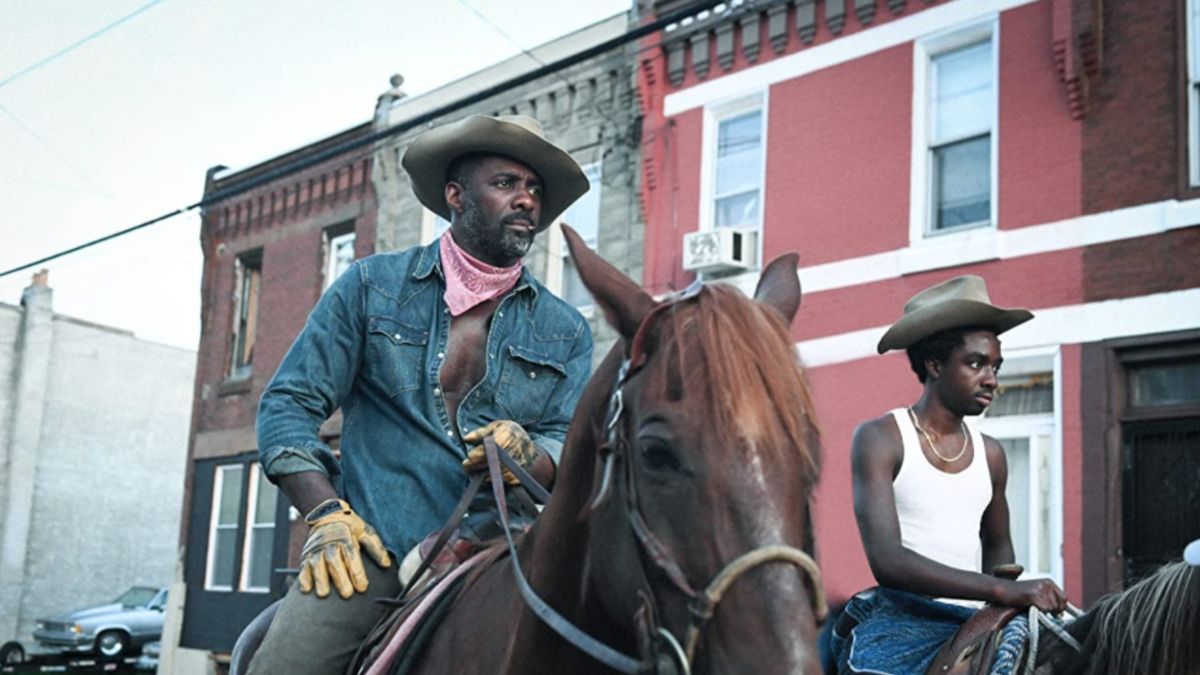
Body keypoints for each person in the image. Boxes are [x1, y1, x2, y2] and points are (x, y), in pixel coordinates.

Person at [246, 114, 594, 675]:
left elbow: (568, 440)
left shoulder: (567, 329)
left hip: (502, 551)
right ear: (455, 196)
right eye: (506, 183)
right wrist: (326, 513)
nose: (526, 199)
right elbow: (289, 405)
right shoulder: (370, 286)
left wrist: (532, 453)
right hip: (375, 546)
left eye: (534, 189)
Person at [825, 275, 1067, 674]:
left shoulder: (991, 453)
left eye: (995, 366)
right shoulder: (882, 438)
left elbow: (998, 550)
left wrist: (1003, 600)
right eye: (976, 363)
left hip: (974, 623)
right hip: (902, 619)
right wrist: (1003, 589)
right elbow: (888, 561)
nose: (991, 378)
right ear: (934, 365)